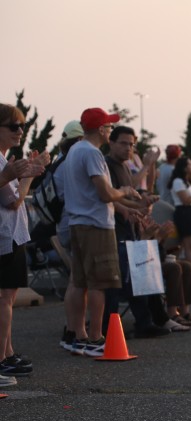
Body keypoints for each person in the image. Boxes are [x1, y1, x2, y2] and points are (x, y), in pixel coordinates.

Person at [58, 108, 148, 356]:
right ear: (100, 129)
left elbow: (93, 194)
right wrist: (125, 191)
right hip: (96, 225)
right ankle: (96, 338)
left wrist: (130, 206)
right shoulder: (92, 153)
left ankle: (78, 336)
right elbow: (105, 194)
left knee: (80, 282)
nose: (110, 130)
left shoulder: (75, 150)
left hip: (77, 223)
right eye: (108, 126)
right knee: (100, 284)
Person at [102, 125, 171, 338]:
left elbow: (131, 194)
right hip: (113, 229)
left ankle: (146, 322)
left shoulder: (124, 166)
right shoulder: (107, 165)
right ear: (111, 142)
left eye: (131, 145)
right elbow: (110, 196)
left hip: (129, 228)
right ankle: (109, 328)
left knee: (139, 273)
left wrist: (143, 201)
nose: (128, 148)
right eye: (123, 143)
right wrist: (148, 165)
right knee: (119, 281)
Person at [0, 103, 49, 382]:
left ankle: (7, 352)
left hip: (13, 235)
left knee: (8, 298)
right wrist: (27, 176)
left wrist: (26, 171)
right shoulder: (2, 163)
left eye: (22, 125)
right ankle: (2, 358)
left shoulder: (4, 159)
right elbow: (14, 200)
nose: (20, 131)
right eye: (13, 126)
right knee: (4, 300)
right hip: (6, 237)